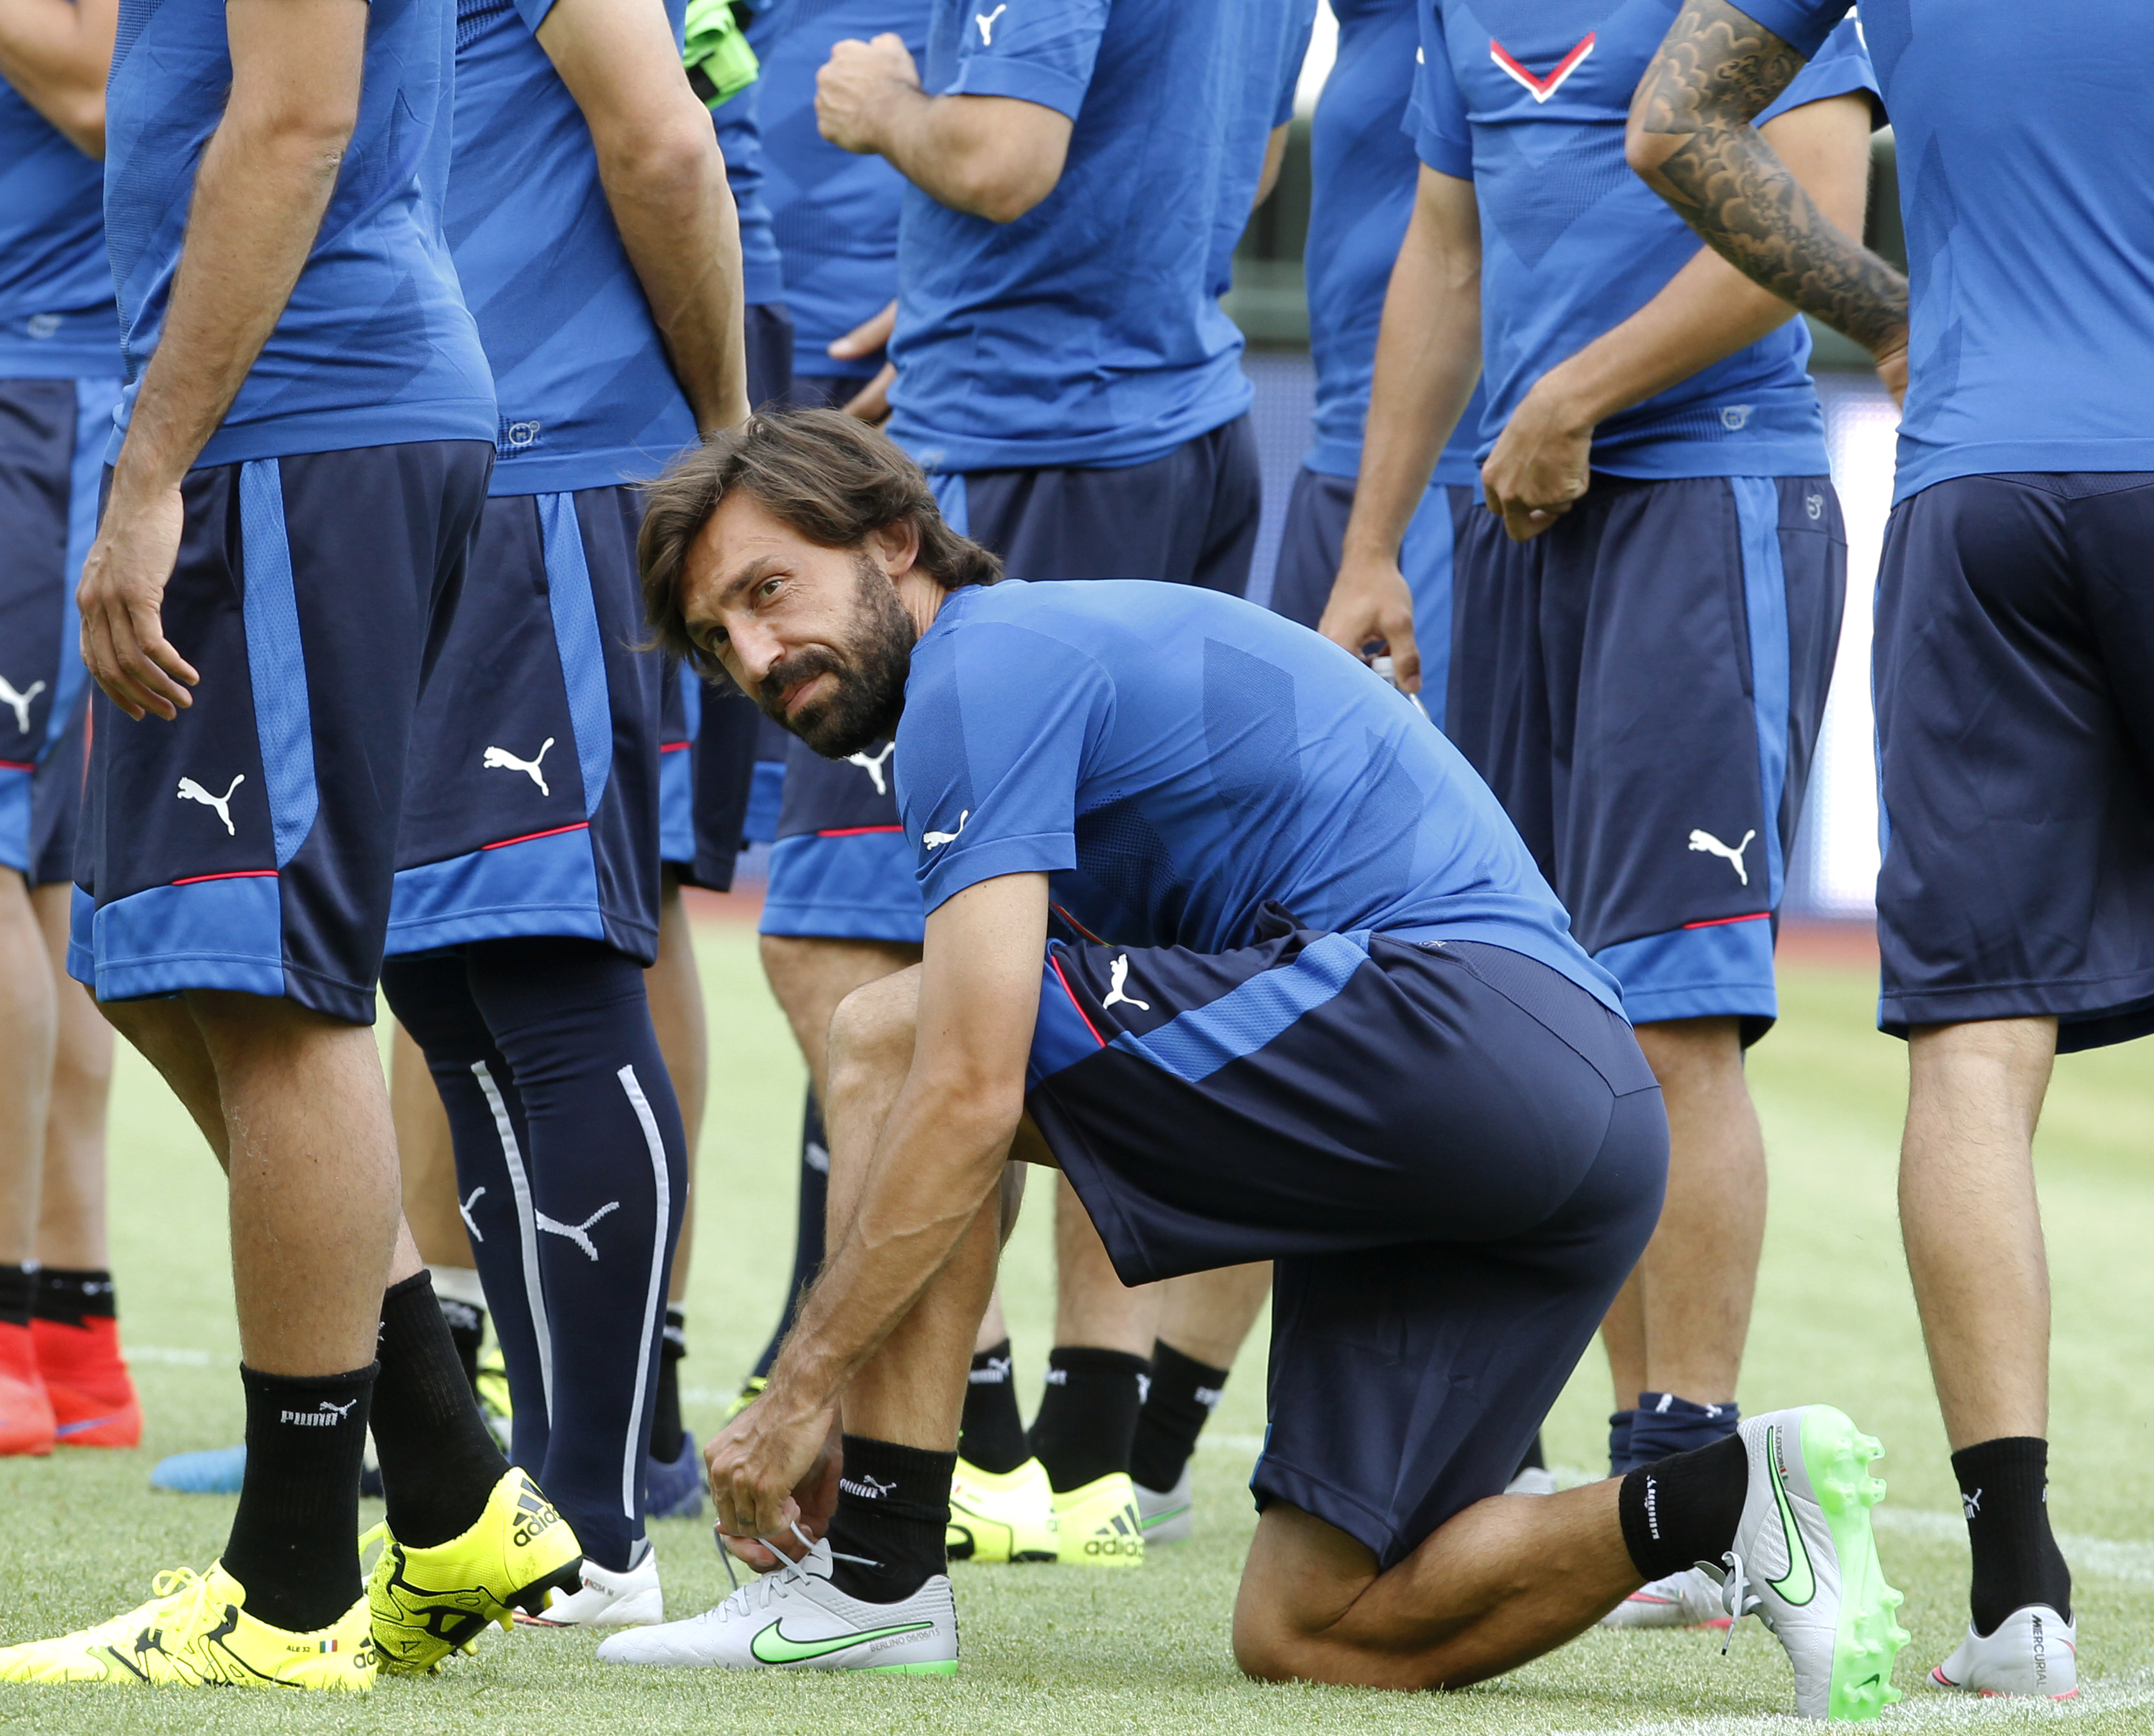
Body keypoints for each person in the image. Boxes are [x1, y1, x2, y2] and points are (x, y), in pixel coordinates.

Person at [599, 410, 1905, 1722]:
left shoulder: (978, 669)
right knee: (1311, 1624)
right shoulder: (1037, 658)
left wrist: (804, 1392)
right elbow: (992, 1113)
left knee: (893, 1034)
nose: (760, 656)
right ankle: (1736, 1496)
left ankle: (870, 1586)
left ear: (893, 540)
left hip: (1461, 1028)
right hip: (1568, 1117)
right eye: (720, 639)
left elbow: (965, 1087)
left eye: (769, 591)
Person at [0, 0, 586, 1692]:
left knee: (275, 986)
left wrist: (150, 466)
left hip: (300, 415)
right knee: (163, 964)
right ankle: (450, 1469)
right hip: (293, 413)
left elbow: (294, 123)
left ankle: (292, 1587)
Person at [1319, 0, 1875, 1627]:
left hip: (1705, 493)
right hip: (1507, 515)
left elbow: (1821, 213)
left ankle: (1691, 1470)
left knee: (1674, 1010)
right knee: (1534, 1006)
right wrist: (1372, 547)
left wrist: (1578, 389)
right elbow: (1445, 250)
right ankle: (1620, 1473)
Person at [1628, 0, 2154, 1699]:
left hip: (1982, 483)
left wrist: (1890, 311)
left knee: (1978, 1054)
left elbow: (1675, 120)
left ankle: (2021, 1601)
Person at [782, 0, 1316, 1564]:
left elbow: (1005, 156)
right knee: (1107, 952)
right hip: (1169, 410)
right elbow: (1245, 151)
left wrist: (886, 107)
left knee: (859, 948)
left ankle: (985, 1436)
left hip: (1038, 442)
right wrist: (957, 318)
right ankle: (1087, 1441)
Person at [376, 0, 753, 1631]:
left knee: (539, 975)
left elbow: (664, 137)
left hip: (545, 455)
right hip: (415, 456)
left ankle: (601, 1515)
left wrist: (730, 431)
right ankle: (559, 1496)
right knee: (447, 985)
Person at [0, 0, 139, 1461]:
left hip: (34, 391)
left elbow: (110, 93)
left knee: (9, 877)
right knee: (38, 888)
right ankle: (67, 1334)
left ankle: (13, 1338)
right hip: (54, 394)